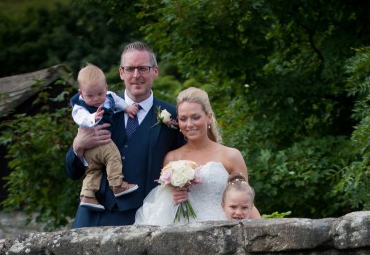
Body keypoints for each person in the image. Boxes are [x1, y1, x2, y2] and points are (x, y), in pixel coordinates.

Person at [65, 42, 185, 228]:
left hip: (144, 218)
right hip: (93, 217)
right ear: (121, 73)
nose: (136, 75)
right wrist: (78, 146)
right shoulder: (96, 109)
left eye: (143, 68)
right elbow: (72, 172)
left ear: (155, 71)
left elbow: (184, 161)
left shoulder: (174, 116)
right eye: (130, 69)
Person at [135, 87, 260, 226]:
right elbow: (162, 203)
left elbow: (246, 201)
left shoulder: (231, 155)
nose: (189, 124)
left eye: (196, 117)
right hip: (183, 230)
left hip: (223, 229)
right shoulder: (172, 158)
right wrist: (173, 197)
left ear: (209, 117)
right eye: (183, 119)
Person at [70, 64, 139, 210]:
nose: (96, 99)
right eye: (90, 96)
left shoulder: (109, 97)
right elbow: (80, 118)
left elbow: (118, 101)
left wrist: (127, 108)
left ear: (106, 88)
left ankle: (88, 195)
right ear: (81, 93)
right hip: (96, 143)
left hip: (93, 153)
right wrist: (93, 117)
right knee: (113, 155)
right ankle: (117, 184)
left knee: (94, 170)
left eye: (100, 94)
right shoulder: (80, 106)